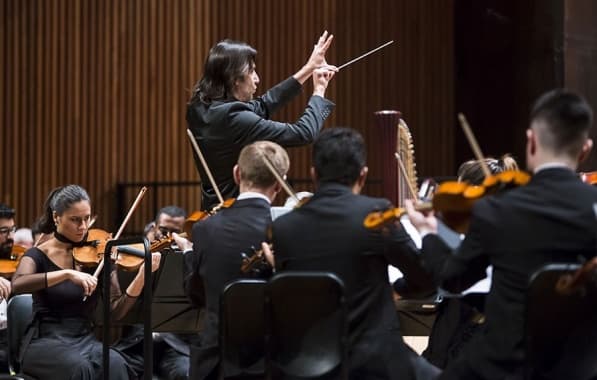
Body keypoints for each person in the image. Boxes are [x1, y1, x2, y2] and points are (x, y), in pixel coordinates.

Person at [406, 89, 597, 380]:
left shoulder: (497, 210)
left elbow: (452, 278)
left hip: (505, 367)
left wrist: (429, 232)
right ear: (585, 150)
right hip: (580, 367)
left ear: (531, 142)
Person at [268, 127, 439, 379]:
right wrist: (400, 286)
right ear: (363, 174)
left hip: (308, 365)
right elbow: (426, 278)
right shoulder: (376, 214)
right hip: (374, 361)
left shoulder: (283, 229)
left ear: (314, 174)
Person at [11, 185, 161, 380]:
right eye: (75, 220)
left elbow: (116, 310)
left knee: (116, 365)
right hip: (44, 340)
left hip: (84, 339)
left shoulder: (99, 253)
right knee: (81, 369)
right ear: (57, 217)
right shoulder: (39, 254)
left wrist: (142, 277)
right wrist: (66, 274)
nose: (83, 226)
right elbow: (18, 284)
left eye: (86, 218)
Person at [176, 140, 290, 380]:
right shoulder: (288, 231)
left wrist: (188, 254)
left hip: (217, 364)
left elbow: (197, 296)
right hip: (272, 362)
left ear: (237, 174)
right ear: (280, 185)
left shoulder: (205, 229)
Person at [187, 31, 337, 210]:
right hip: (235, 216)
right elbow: (304, 133)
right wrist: (319, 91)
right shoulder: (234, 118)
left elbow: (263, 104)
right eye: (252, 71)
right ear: (235, 79)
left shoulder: (198, 107)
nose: (257, 79)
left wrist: (309, 68)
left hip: (211, 211)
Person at [422, 154, 520, 369]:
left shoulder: (479, 238)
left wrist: (429, 234)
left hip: (471, 343)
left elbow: (448, 280)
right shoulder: (507, 227)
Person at [115, 205, 191, 380]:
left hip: (175, 346)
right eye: (163, 230)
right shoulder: (136, 256)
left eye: (175, 232)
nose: (168, 237)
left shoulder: (189, 262)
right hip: (138, 344)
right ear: (153, 227)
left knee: (185, 372)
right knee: (112, 366)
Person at [0, 203, 15, 374]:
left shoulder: (19, 263)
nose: (11, 237)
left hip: (11, 335)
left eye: (13, 230)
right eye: (4, 232)